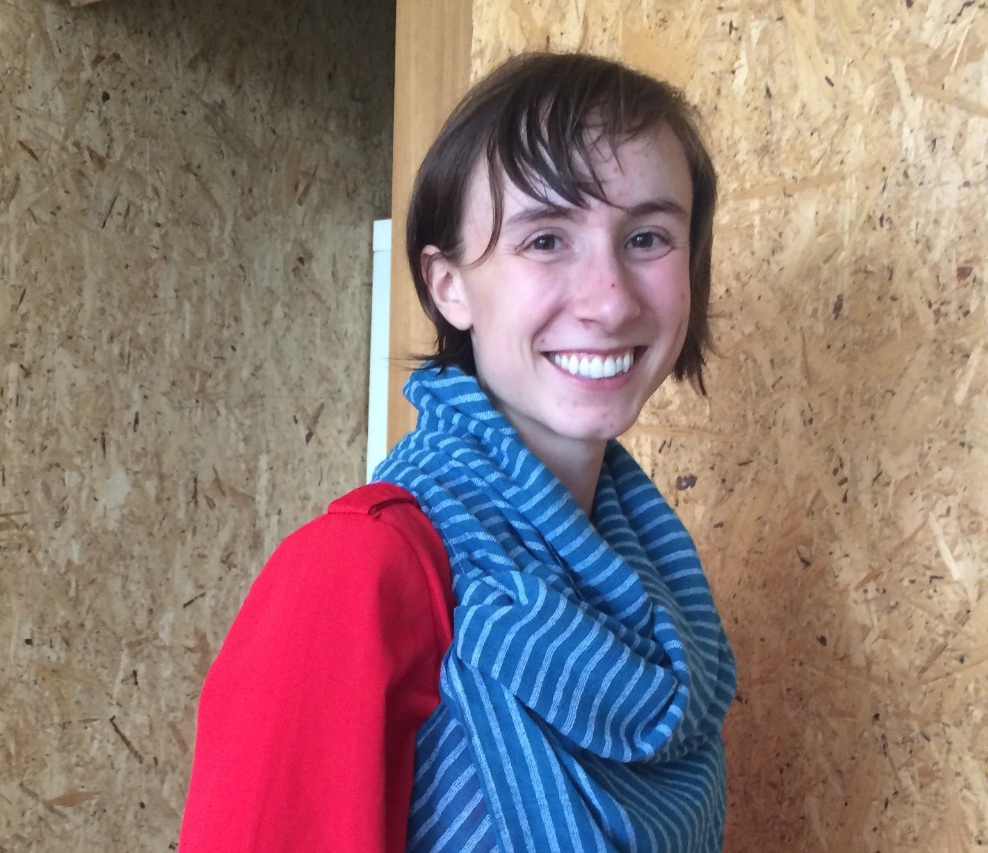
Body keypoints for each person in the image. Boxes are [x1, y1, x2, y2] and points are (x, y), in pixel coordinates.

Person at [179, 51, 737, 852]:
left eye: (647, 237)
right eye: (546, 239)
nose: (610, 300)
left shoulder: (663, 599)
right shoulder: (360, 569)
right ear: (448, 286)